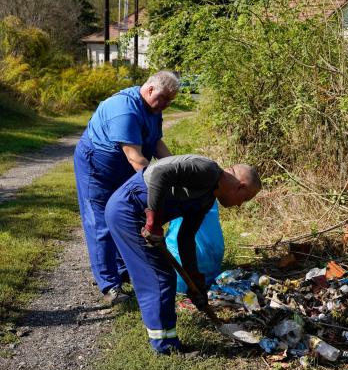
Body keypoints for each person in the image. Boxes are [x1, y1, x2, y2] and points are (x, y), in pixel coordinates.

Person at [105, 155, 261, 355]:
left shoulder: (206, 199)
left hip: (136, 215)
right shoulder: (207, 170)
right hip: (126, 211)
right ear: (240, 187)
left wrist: (195, 281)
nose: (240, 205)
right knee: (159, 278)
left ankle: (167, 341)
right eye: (245, 199)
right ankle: (166, 347)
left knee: (163, 276)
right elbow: (160, 173)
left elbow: (185, 238)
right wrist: (153, 222)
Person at [74, 71, 179, 305]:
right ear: (150, 89)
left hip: (123, 167)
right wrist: (161, 189)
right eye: (164, 99)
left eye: (170, 101)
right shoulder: (124, 109)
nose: (166, 105)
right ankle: (110, 285)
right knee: (101, 223)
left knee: (126, 216)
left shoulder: (153, 109)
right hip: (97, 168)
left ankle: (124, 270)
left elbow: (156, 143)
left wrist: (177, 170)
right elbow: (137, 159)